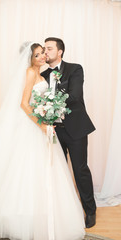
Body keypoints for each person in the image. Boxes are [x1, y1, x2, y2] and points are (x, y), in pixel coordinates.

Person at [0, 42, 85, 240]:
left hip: (40, 124)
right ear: (30, 59)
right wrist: (42, 124)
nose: (42, 57)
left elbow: (41, 100)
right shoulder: (31, 73)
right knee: (25, 170)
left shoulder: (43, 74)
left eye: (42, 53)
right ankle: (21, 217)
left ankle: (39, 214)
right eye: (37, 55)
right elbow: (23, 104)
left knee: (43, 171)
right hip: (30, 126)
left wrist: (49, 114)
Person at [41, 37, 96, 228]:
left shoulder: (75, 69)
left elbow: (74, 96)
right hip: (54, 131)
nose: (45, 52)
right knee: (58, 172)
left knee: (80, 170)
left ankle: (90, 211)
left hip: (75, 128)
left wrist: (49, 99)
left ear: (60, 51)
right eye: (44, 49)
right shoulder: (43, 75)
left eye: (49, 48)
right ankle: (64, 211)